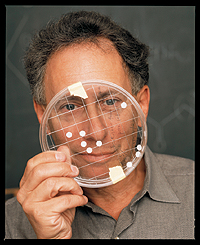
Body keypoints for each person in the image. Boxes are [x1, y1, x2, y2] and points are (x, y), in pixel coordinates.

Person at [5, 11, 194, 239]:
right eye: (70, 107)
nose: (96, 132)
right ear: (43, 114)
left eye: (111, 102)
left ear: (141, 103)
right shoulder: (11, 224)